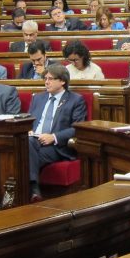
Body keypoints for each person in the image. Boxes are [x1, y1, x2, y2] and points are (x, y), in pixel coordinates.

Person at [27, 64, 88, 201]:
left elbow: (78, 128)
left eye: (50, 79)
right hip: (33, 140)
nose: (46, 82)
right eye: (45, 79)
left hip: (56, 146)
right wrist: (29, 130)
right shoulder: (38, 98)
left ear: (62, 81)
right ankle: (34, 189)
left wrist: (53, 137)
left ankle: (29, 189)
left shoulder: (75, 100)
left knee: (23, 157)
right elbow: (28, 120)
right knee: (28, 143)